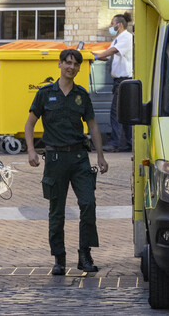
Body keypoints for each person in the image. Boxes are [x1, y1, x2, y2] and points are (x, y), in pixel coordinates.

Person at [24, 49, 108, 275]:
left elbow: (92, 126)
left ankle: (84, 254)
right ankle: (59, 259)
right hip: (55, 159)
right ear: (60, 64)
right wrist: (31, 150)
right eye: (68, 63)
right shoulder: (45, 93)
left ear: (79, 68)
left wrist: (100, 155)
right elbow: (30, 124)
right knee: (56, 211)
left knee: (88, 204)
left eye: (76, 64)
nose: (71, 67)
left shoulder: (82, 95)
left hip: (80, 158)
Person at [92, 12, 133, 152]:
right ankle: (129, 142)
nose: (110, 26)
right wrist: (92, 55)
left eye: (112, 23)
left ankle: (115, 143)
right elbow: (109, 57)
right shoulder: (117, 39)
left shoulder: (126, 38)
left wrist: (97, 57)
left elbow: (112, 51)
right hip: (120, 81)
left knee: (116, 112)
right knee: (126, 113)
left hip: (124, 80)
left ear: (119, 25)